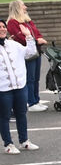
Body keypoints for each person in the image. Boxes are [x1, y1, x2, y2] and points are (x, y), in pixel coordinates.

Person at [1, 20, 38, 154]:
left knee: (21, 114)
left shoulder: (13, 44)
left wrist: (28, 36)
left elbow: (30, 53)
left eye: (3, 27)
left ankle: (24, 141)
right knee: (4, 116)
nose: (2, 29)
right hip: (3, 89)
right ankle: (8, 144)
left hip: (20, 86)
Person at [6, 1, 48, 113]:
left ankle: (36, 100)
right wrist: (36, 41)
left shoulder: (27, 20)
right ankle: (31, 102)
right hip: (26, 52)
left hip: (36, 51)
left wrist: (39, 39)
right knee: (30, 78)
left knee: (36, 78)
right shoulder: (12, 22)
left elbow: (36, 32)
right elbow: (20, 37)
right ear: (17, 8)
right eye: (23, 5)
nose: (26, 7)